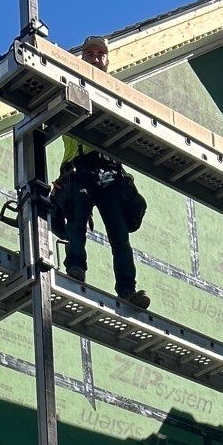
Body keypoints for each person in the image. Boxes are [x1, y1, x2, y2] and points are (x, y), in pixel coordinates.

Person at [53, 36, 151, 310]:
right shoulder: (70, 83)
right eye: (89, 53)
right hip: (80, 167)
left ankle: (127, 290)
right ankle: (75, 268)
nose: (95, 58)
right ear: (82, 58)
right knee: (77, 219)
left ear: (107, 60)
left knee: (120, 234)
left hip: (109, 171)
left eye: (100, 54)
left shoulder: (117, 93)